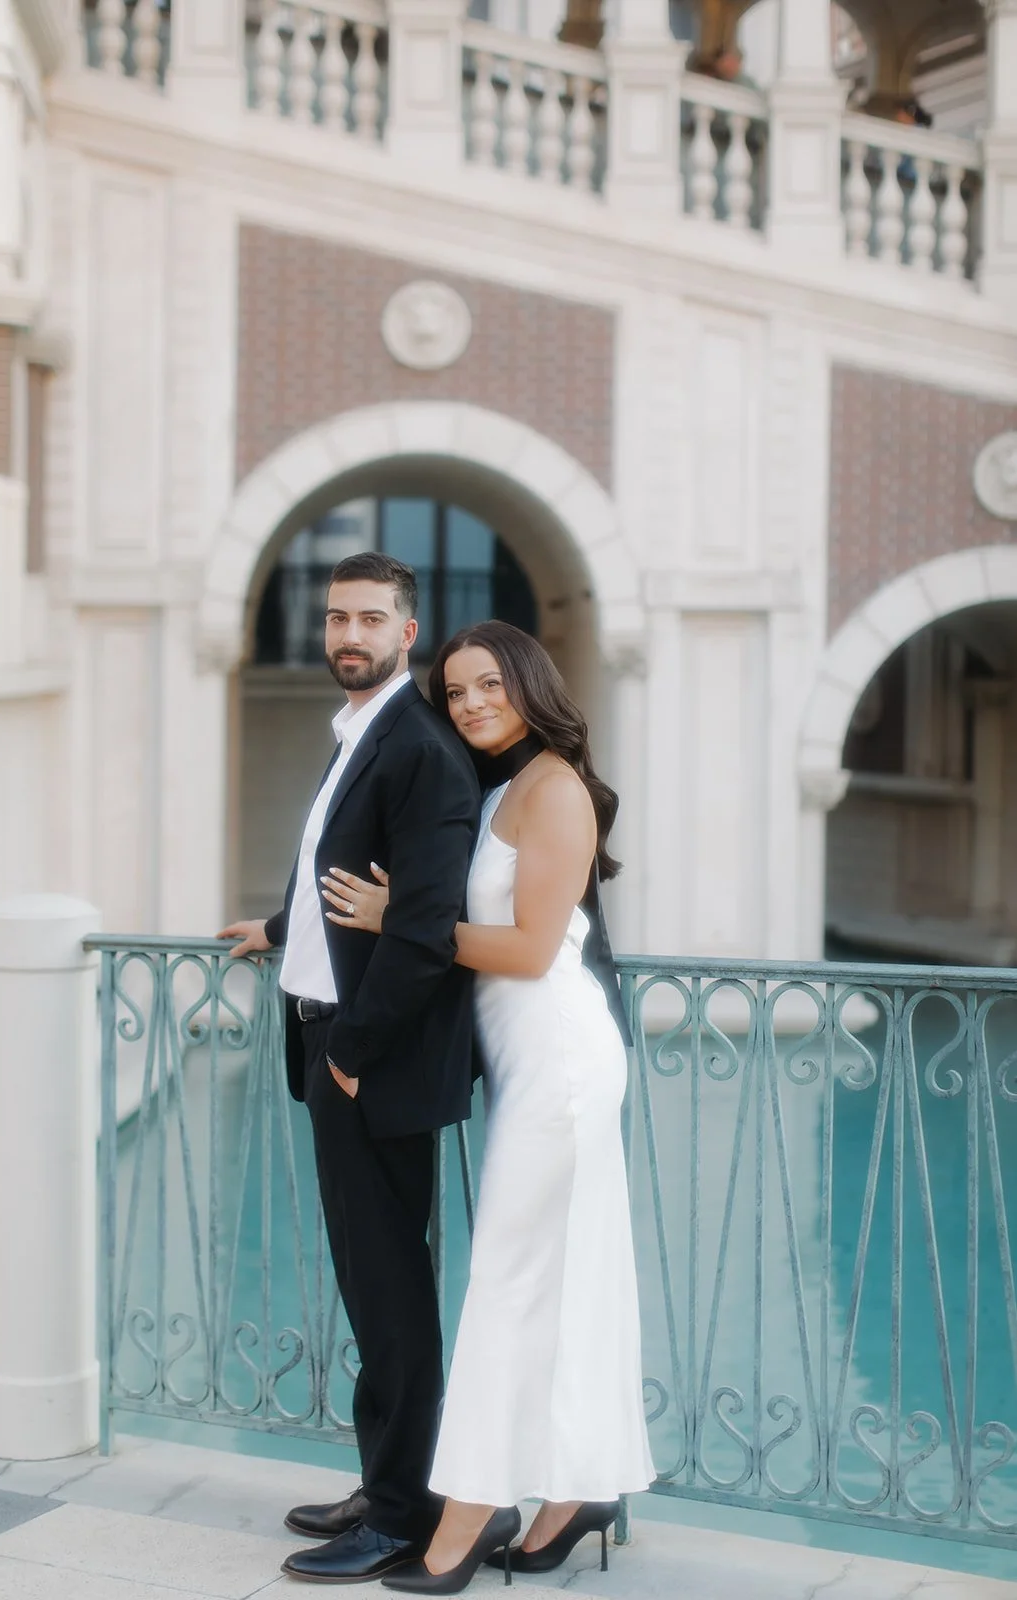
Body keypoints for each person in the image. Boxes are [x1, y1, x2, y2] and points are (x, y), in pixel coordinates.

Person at [321, 621, 655, 1595]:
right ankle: (573, 1492)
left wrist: (403, 922)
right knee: (560, 1277)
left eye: (486, 685)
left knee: (508, 1277)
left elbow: (526, 946)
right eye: (455, 690)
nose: (469, 703)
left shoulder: (555, 788)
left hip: (559, 1053)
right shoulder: (499, 785)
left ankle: (462, 1519)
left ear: (528, 683)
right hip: (522, 1058)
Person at [219, 553, 481, 1584]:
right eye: (337, 617)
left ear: (409, 632)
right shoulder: (361, 735)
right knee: (372, 1287)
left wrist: (358, 1059)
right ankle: (385, 1481)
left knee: (394, 1293)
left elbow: (422, 926)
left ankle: (404, 1516)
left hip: (370, 1055)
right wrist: (282, 926)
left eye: (370, 619)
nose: (348, 635)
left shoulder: (419, 746)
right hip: (334, 1039)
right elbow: (343, 870)